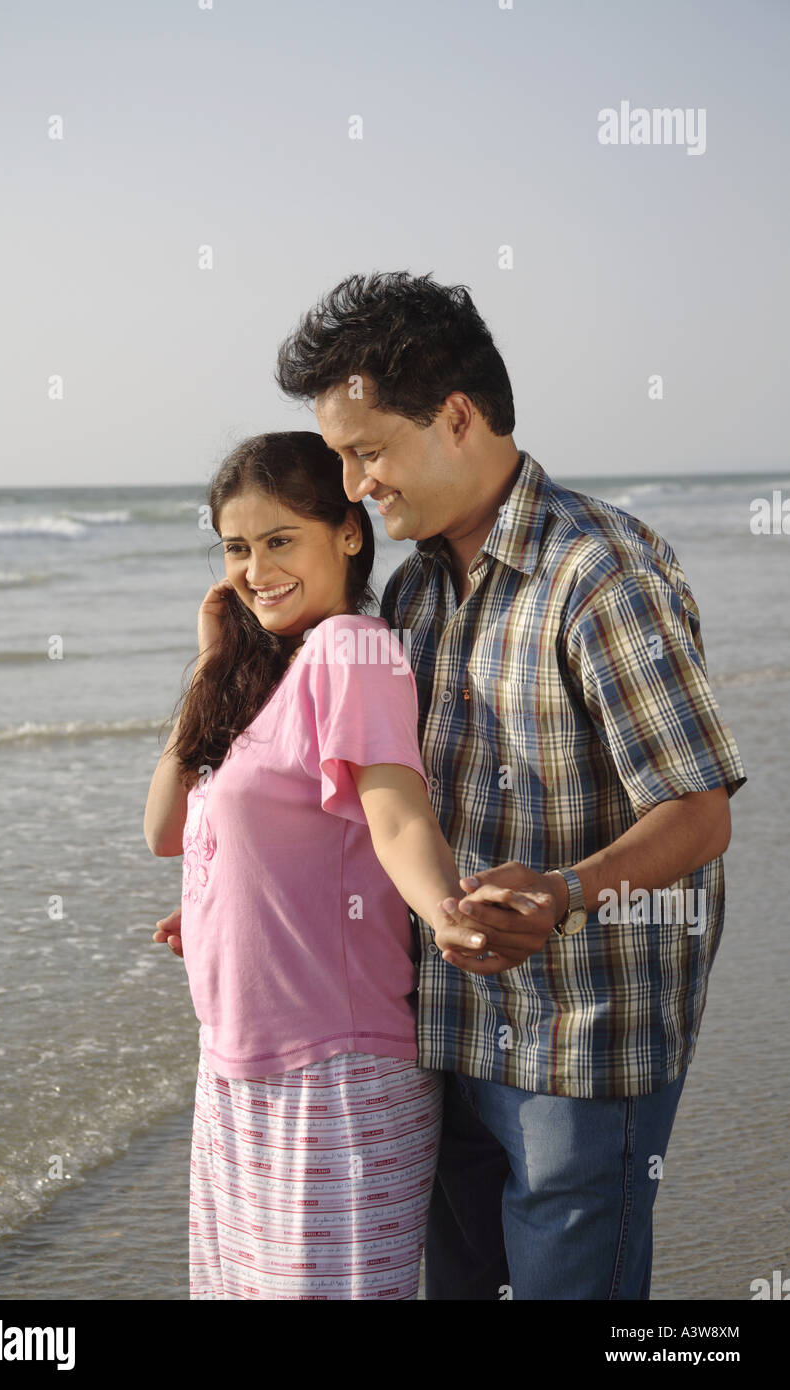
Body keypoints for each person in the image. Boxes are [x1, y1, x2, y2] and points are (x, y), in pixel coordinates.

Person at [156, 272, 747, 1300]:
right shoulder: (414, 589)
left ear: (457, 417)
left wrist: (562, 893)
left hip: (581, 1029)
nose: (350, 486)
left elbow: (696, 811)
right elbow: (376, 811)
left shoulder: (598, 572)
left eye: (364, 450)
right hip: (440, 1027)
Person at [143, 430, 538, 1301]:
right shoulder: (262, 676)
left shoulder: (351, 650)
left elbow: (394, 814)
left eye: (281, 539)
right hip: (236, 1068)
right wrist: (211, 665)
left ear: (349, 533)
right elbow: (165, 832)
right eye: (237, 548)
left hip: (337, 1075)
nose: (256, 568)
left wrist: (446, 910)